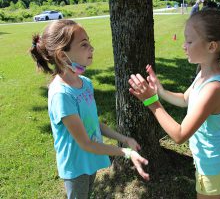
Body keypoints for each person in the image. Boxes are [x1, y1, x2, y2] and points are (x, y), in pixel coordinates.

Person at [128, 9, 220, 198]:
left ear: (212, 46)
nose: (183, 46)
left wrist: (151, 102)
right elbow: (185, 99)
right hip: (209, 161)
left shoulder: (214, 88)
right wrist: (160, 91)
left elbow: (179, 135)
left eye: (189, 41)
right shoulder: (204, 73)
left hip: (213, 165)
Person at [29, 19, 149, 199]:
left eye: (89, 43)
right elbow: (85, 143)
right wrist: (125, 152)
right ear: (62, 56)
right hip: (76, 168)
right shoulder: (61, 95)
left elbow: (93, 123)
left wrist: (123, 138)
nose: (91, 48)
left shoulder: (85, 84)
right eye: (84, 45)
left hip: (90, 159)